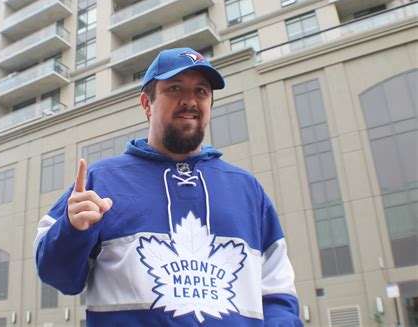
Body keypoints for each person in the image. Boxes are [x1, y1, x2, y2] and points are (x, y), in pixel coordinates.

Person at [35, 47, 303, 326]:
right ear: (146, 104)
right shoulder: (100, 180)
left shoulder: (248, 189)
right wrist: (72, 229)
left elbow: (277, 289)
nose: (190, 100)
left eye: (201, 91)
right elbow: (58, 277)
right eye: (175, 88)